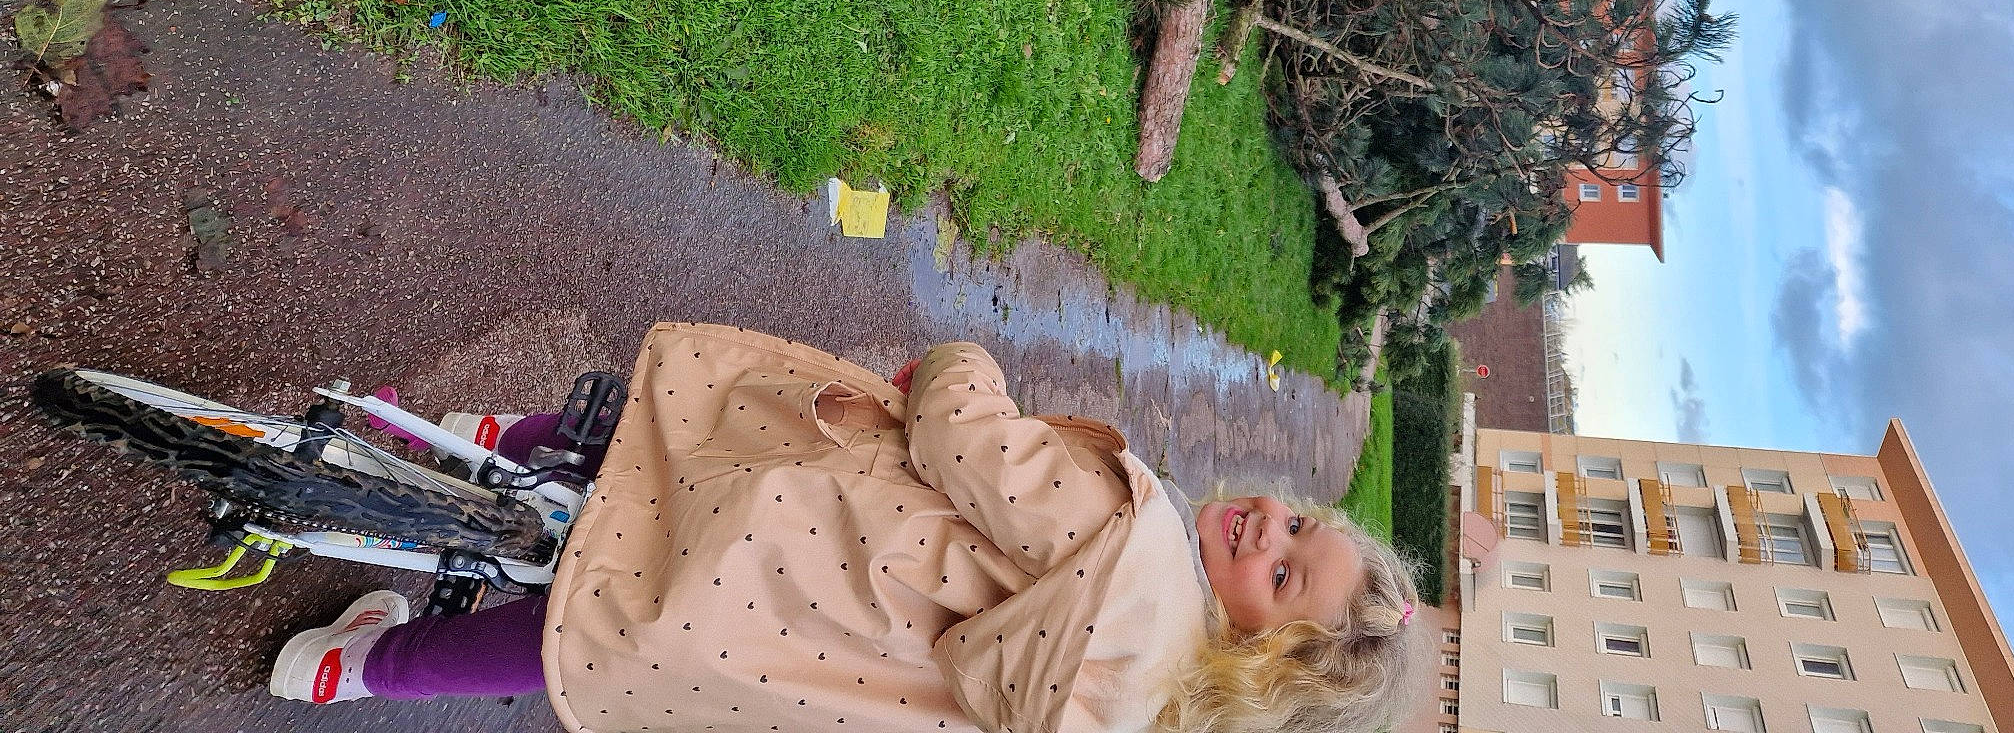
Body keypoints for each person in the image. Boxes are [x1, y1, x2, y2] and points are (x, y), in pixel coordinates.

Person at [269, 325, 1421, 733]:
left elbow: (975, 449)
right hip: (764, 652)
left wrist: (959, 369)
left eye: (1282, 568)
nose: (1267, 521)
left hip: (786, 518)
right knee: (581, 640)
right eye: (1301, 521)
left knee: (661, 437)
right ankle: (349, 671)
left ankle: (470, 440)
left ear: (1262, 656)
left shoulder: (1138, 548)